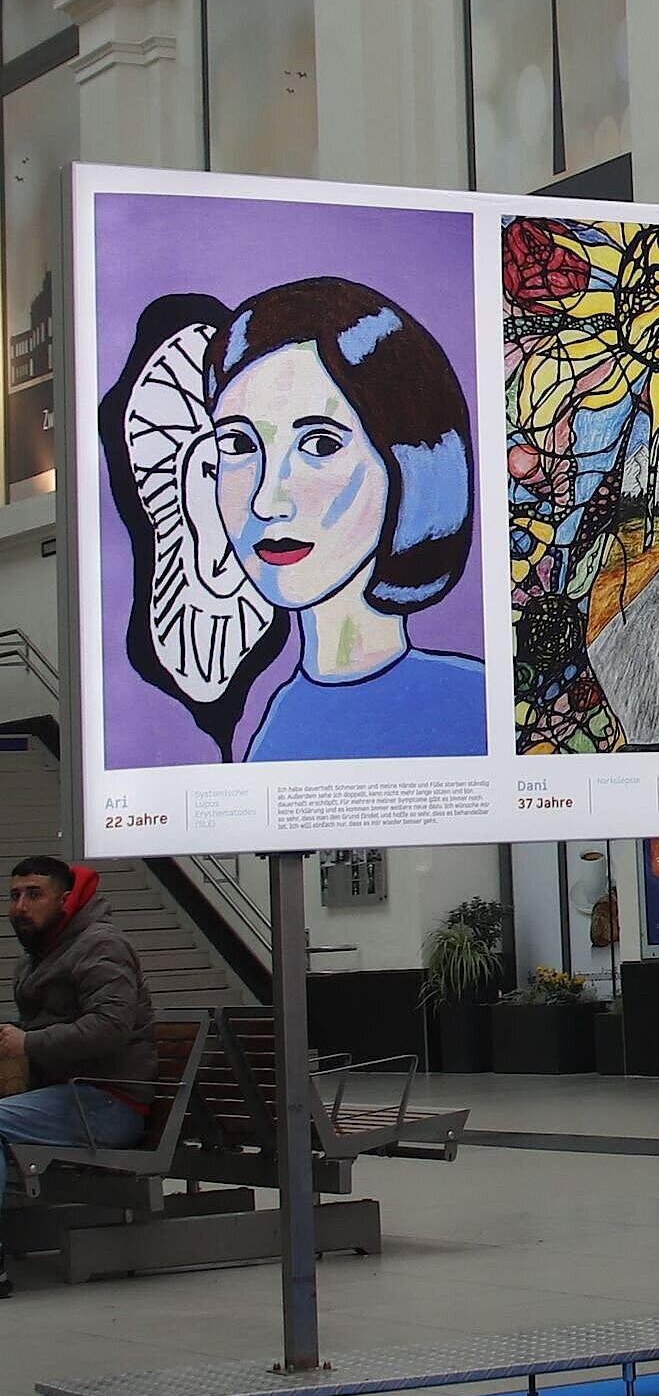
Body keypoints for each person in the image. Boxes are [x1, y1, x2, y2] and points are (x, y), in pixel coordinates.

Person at [102, 277, 485, 763]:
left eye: (321, 445)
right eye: (239, 446)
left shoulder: (471, 709)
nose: (268, 499)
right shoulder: (272, 729)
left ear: (409, 463)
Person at [5, 857, 158, 1294]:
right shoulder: (41, 955)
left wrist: (28, 1043)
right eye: (15, 895)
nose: (20, 906)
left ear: (66, 898)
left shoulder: (98, 945)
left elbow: (111, 1027)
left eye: (34, 894)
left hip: (108, 1102)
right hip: (71, 1095)